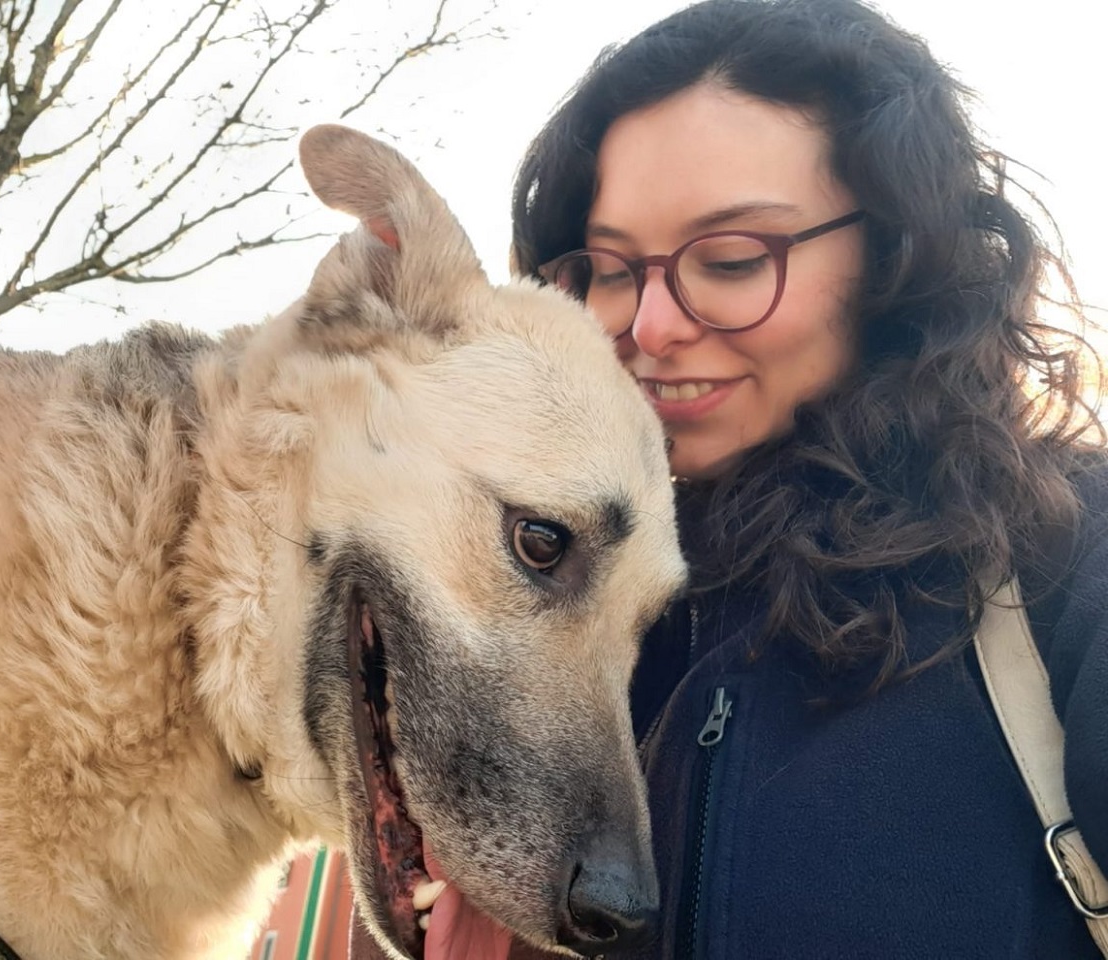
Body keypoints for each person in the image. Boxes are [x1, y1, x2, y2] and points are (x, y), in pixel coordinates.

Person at [353, 0, 1108, 957]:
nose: (652, 325)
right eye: (613, 269)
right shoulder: (532, 591)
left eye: (732, 259)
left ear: (898, 258)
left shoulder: (1066, 572)